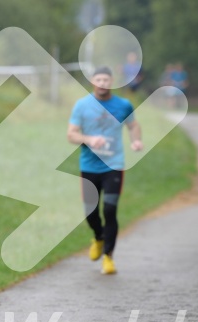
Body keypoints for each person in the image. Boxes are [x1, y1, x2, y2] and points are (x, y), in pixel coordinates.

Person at [67, 66, 143, 275]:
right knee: (90, 213)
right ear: (93, 81)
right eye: (99, 79)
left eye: (106, 80)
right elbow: (71, 134)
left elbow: (133, 125)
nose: (103, 83)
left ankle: (108, 257)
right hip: (89, 166)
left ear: (112, 82)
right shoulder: (82, 106)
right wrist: (89, 139)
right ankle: (99, 238)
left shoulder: (123, 105)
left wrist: (136, 141)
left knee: (110, 210)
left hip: (114, 165)